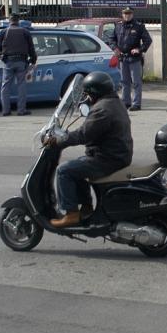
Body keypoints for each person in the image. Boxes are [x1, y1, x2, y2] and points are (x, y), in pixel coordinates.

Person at [43, 72, 133, 229]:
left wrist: (59, 140)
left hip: (108, 159)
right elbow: (89, 132)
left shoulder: (102, 110)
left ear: (95, 93)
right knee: (77, 165)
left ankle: (71, 214)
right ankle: (86, 207)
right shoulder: (113, 102)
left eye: (88, 93)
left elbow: (83, 135)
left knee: (65, 171)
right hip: (116, 155)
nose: (87, 97)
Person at [0, 13, 37, 116]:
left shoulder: (4, 32)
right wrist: (33, 60)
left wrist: (1, 55)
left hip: (8, 62)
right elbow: (31, 48)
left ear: (10, 21)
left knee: (5, 86)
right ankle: (21, 110)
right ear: (18, 21)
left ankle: (6, 111)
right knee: (21, 85)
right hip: (21, 61)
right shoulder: (25, 32)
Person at [109, 7, 152, 111]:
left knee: (136, 82)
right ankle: (126, 102)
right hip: (123, 58)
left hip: (134, 59)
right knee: (124, 82)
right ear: (122, 14)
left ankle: (136, 104)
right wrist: (115, 48)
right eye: (125, 14)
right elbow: (111, 39)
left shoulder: (139, 26)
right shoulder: (118, 26)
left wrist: (139, 49)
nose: (127, 16)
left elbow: (148, 41)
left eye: (129, 14)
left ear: (132, 14)